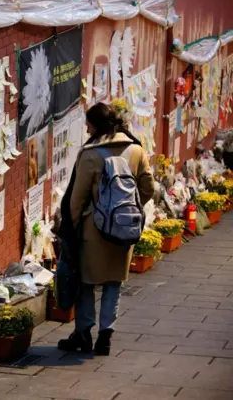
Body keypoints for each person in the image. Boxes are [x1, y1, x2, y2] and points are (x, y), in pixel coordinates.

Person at [57, 102, 154, 356]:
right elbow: (148, 188)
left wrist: (73, 226)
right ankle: (105, 337)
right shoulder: (135, 150)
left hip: (93, 230)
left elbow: (76, 200)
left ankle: (84, 334)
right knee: (114, 283)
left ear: (95, 125)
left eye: (88, 124)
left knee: (87, 282)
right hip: (123, 229)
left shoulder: (90, 154)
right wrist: (127, 211)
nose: (86, 129)